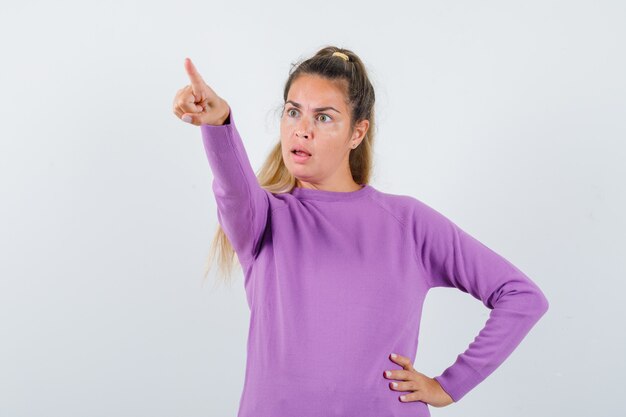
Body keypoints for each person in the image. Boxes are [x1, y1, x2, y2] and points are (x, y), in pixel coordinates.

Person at [172, 46, 549, 417]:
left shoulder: (409, 223)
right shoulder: (263, 219)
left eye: (324, 118)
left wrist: (451, 385)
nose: (302, 130)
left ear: (357, 133)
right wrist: (218, 123)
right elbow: (233, 190)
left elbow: (520, 296)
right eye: (293, 112)